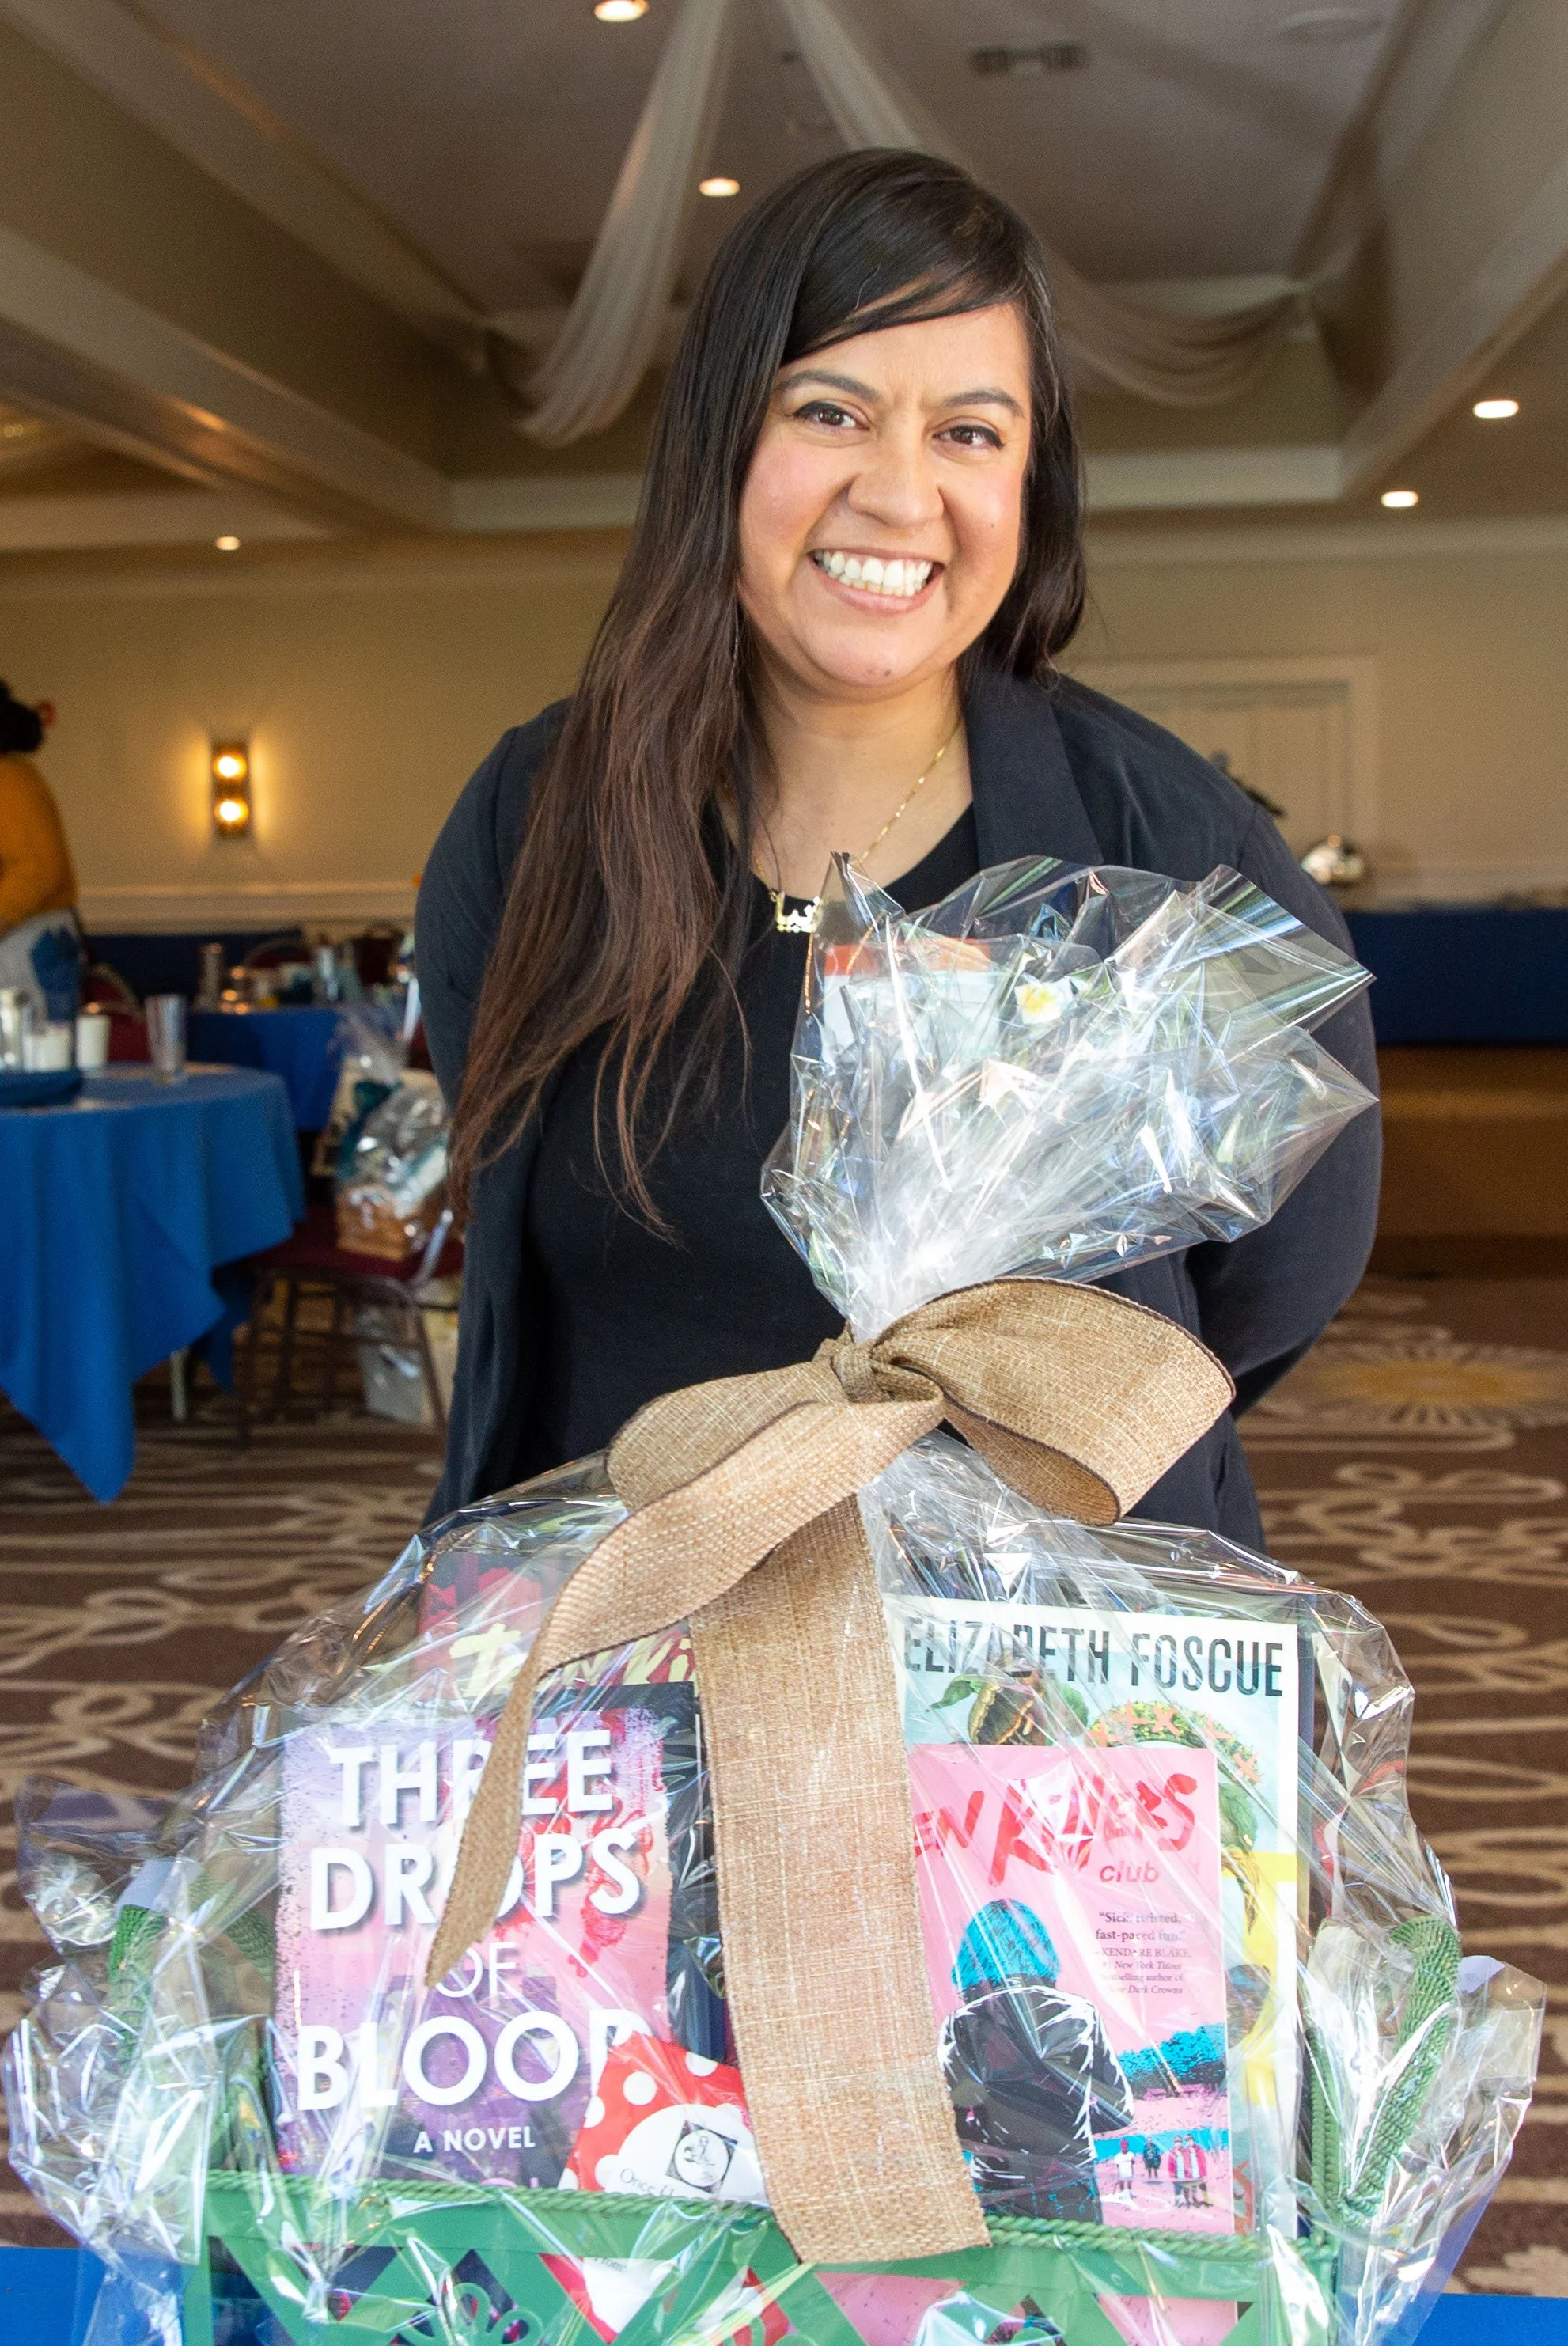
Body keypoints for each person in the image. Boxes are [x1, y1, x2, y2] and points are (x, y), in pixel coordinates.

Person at [418, 150, 1380, 1540]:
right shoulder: (533, 823)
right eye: (833, 409)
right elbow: (517, 1254)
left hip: (1039, 1705)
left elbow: (1277, 1279)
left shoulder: (1175, 854)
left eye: (970, 433)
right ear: (723, 444)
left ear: (1029, 482)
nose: (898, 489)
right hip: (629, 1668)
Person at [939, 1900, 1134, 2222]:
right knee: (1079, 2269)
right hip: (1071, 2181)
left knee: (999, 2272)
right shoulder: (1081, 2015)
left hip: (994, 2185)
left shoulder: (961, 2024)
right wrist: (1065, 2124)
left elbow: (950, 2120)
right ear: (1040, 1949)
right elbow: (1121, 2111)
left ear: (970, 1957)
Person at [0, 678, 80, 1018]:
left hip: (18, 946)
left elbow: (35, 871)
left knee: (26, 1062)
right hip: (3, 946)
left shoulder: (9, 783)